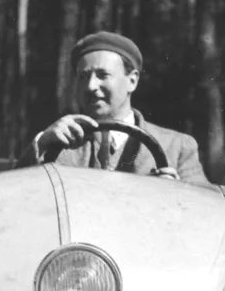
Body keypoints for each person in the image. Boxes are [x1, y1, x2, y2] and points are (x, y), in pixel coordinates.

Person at [17, 31, 207, 184]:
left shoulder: (177, 147)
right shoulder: (57, 145)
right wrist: (42, 143)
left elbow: (208, 208)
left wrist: (177, 193)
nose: (91, 86)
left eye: (102, 75)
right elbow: (15, 195)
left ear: (132, 81)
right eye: (83, 77)